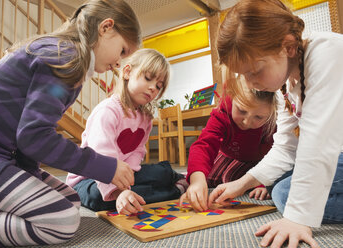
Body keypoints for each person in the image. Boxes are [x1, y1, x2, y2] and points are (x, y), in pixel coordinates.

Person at [0, 0, 141, 246]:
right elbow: (34, 137)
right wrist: (105, 167)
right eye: (123, 51)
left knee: (71, 200)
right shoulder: (64, 57)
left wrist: (27, 175)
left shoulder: (62, 54)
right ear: (106, 28)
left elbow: (23, 136)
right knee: (62, 221)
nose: (118, 63)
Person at [210, 0, 343, 247]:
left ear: (288, 47)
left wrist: (298, 218)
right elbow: (286, 148)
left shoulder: (327, 53)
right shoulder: (285, 84)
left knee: (289, 197)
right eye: (243, 75)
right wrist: (240, 184)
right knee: (282, 192)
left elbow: (318, 144)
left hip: (333, 151)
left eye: (255, 71)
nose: (249, 84)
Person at [66, 48, 186, 215]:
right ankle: (175, 192)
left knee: (160, 173)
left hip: (122, 174)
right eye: (148, 78)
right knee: (98, 198)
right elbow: (101, 156)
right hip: (89, 177)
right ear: (127, 72)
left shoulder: (145, 118)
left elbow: (137, 151)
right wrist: (119, 192)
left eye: (158, 86)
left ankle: (176, 178)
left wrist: (126, 181)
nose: (153, 88)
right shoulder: (107, 111)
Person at [181, 78, 276, 212]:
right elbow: (203, 145)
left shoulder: (274, 123)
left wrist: (263, 183)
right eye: (242, 111)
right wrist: (197, 180)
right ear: (231, 95)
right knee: (204, 175)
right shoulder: (222, 112)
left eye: (258, 117)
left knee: (229, 178)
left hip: (258, 162)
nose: (246, 122)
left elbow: (276, 158)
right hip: (228, 155)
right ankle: (183, 181)